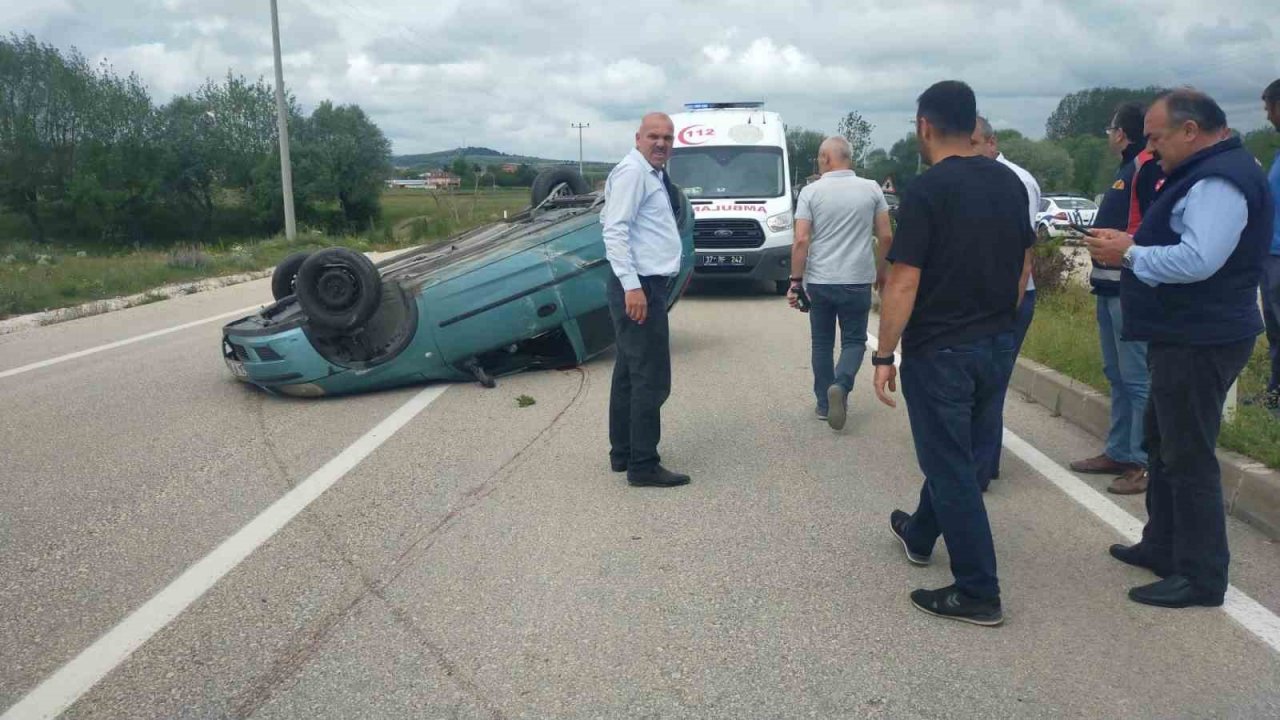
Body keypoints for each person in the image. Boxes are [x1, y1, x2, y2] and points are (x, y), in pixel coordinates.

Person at [1086, 89, 1273, 608]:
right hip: (1184, 334)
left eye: (1156, 136)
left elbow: (1198, 260)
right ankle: (1162, 545)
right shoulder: (1205, 171)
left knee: (1188, 455)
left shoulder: (1219, 180)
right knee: (1163, 447)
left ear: (1191, 131)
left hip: (1203, 336)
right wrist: (1133, 245)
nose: (1149, 148)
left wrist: (1130, 252)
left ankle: (1202, 575)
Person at [874, 81, 1034, 626]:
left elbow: (903, 281)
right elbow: (1022, 268)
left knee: (949, 468)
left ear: (924, 125)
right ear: (973, 125)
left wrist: (883, 354)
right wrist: (1002, 327)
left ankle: (977, 590)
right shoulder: (1011, 184)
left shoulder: (927, 190)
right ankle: (919, 533)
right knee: (959, 453)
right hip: (997, 340)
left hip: (943, 348)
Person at [1068, 102, 1158, 495]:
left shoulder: (1145, 166)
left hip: (1131, 286)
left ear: (1121, 132)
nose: (1108, 135)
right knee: (1117, 376)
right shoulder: (1127, 168)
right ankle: (1119, 451)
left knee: (1137, 378)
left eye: (1110, 129)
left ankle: (1141, 461)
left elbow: (1154, 228)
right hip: (1108, 284)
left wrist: (1121, 243)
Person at [601, 112, 690, 488]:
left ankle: (623, 453)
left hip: (646, 284)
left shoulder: (651, 174)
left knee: (628, 373)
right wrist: (632, 287)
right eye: (654, 136)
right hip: (639, 287)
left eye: (668, 138)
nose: (661, 144)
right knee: (650, 379)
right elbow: (614, 230)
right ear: (638, 137)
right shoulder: (633, 173)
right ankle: (643, 464)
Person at [787, 136, 893, 430]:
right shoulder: (871, 188)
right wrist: (881, 272)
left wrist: (796, 281)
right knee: (854, 341)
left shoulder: (811, 192)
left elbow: (801, 240)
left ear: (826, 159)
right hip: (857, 280)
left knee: (822, 343)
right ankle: (842, 386)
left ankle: (824, 403)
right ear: (849, 159)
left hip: (820, 281)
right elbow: (886, 236)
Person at [969, 115, 1040, 485]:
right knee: (984, 383)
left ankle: (980, 468)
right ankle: (983, 461)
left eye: (975, 144)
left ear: (992, 143)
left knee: (991, 385)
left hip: (1009, 298)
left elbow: (1022, 254)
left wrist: (1006, 309)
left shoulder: (1016, 181)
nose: (970, 152)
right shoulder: (979, 178)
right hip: (987, 297)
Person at [1259, 79, 1280, 412]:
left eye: (1268, 108)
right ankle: (1275, 394)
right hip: (1270, 251)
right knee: (1275, 331)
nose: (1267, 116)